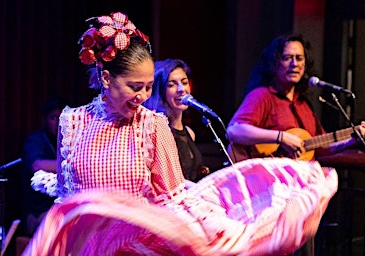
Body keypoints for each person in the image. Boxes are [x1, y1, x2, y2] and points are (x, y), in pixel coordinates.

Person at [24, 13, 338, 255]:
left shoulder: (152, 125)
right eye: (135, 87)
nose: (143, 96)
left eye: (148, 87)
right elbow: (67, 196)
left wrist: (215, 233)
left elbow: (175, 200)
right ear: (106, 78)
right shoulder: (72, 122)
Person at [226, 33, 365, 163]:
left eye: (299, 58)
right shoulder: (263, 95)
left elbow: (322, 149)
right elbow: (234, 131)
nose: (295, 64)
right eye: (287, 58)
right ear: (274, 63)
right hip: (269, 180)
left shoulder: (303, 104)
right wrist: (281, 137)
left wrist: (350, 142)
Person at [144, 59, 210, 182]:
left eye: (184, 82)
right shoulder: (157, 132)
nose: (181, 89)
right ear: (160, 90)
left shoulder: (190, 133)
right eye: (171, 84)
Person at [20, 96, 67, 235]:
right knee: (61, 225)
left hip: (62, 206)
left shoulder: (69, 140)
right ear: (45, 120)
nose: (58, 122)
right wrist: (72, 166)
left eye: (61, 118)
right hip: (37, 212)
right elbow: (37, 165)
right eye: (53, 117)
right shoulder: (35, 140)